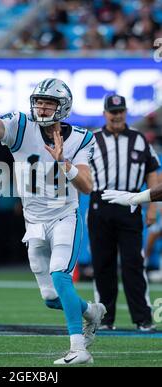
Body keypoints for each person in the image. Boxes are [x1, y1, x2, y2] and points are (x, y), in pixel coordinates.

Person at [0, 67, 106, 365]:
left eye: (48, 103)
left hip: (65, 216)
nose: (41, 107)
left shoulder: (81, 138)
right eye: (39, 101)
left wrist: (63, 162)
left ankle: (79, 348)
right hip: (34, 222)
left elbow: (87, 185)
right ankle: (92, 311)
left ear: (63, 106)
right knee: (50, 298)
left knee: (60, 277)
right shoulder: (21, 126)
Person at [88, 94, 160, 332]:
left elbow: (152, 170)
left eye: (120, 111)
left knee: (133, 263)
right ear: (104, 113)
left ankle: (142, 317)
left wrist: (152, 206)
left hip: (131, 202)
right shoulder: (92, 139)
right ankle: (105, 317)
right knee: (103, 263)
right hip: (101, 202)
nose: (117, 116)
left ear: (126, 112)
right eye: (112, 111)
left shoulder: (139, 139)